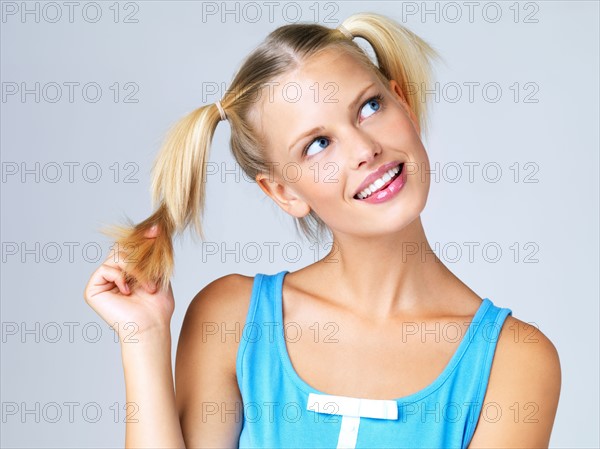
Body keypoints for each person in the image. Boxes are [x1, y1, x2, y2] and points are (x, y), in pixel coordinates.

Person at [83, 11, 561, 449]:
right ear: (283, 193)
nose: (363, 148)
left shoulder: (515, 361)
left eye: (370, 107)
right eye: (317, 144)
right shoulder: (231, 320)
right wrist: (142, 338)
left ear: (405, 107)